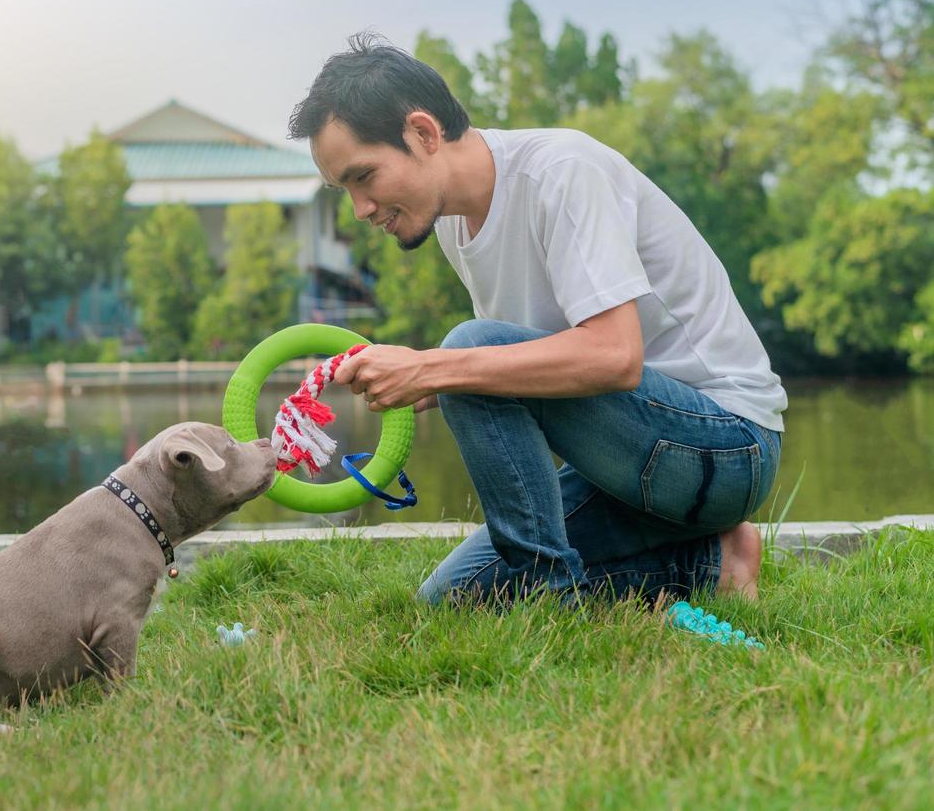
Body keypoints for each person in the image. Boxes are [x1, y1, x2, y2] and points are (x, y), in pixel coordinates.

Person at [287, 34, 786, 605]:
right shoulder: (455, 222)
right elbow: (518, 372)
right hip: (632, 461)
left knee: (466, 352)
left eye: (363, 177)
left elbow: (614, 358)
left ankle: (553, 595)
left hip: (728, 446)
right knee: (450, 598)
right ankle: (709, 560)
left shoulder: (561, 172)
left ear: (422, 133)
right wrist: (427, 381)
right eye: (344, 189)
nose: (360, 210)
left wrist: (439, 368)